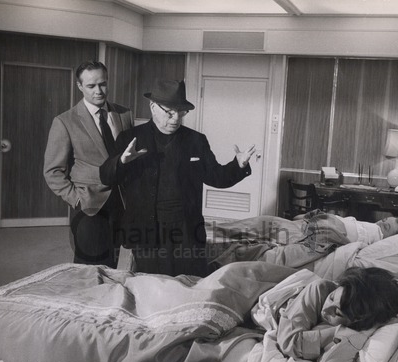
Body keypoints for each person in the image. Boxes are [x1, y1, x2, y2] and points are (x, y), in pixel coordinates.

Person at [99, 78, 256, 277]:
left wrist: (238, 165)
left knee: (190, 287)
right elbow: (105, 176)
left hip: (187, 231)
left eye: (181, 113)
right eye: (170, 112)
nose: (176, 119)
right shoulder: (130, 139)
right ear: (153, 107)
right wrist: (121, 161)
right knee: (151, 289)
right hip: (147, 232)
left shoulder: (196, 140)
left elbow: (216, 177)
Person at [43, 61, 134, 267]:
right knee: (89, 271)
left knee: (115, 267)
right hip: (89, 206)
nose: (98, 91)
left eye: (102, 84)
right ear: (80, 86)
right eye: (91, 86)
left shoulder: (124, 114)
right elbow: (53, 172)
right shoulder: (65, 121)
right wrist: (76, 199)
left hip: (122, 204)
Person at [276, 267, 398, 362]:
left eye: (337, 312)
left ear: (357, 320)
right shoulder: (320, 289)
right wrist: (335, 331)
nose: (326, 309)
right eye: (332, 298)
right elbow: (289, 343)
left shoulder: (353, 328)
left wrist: (367, 331)